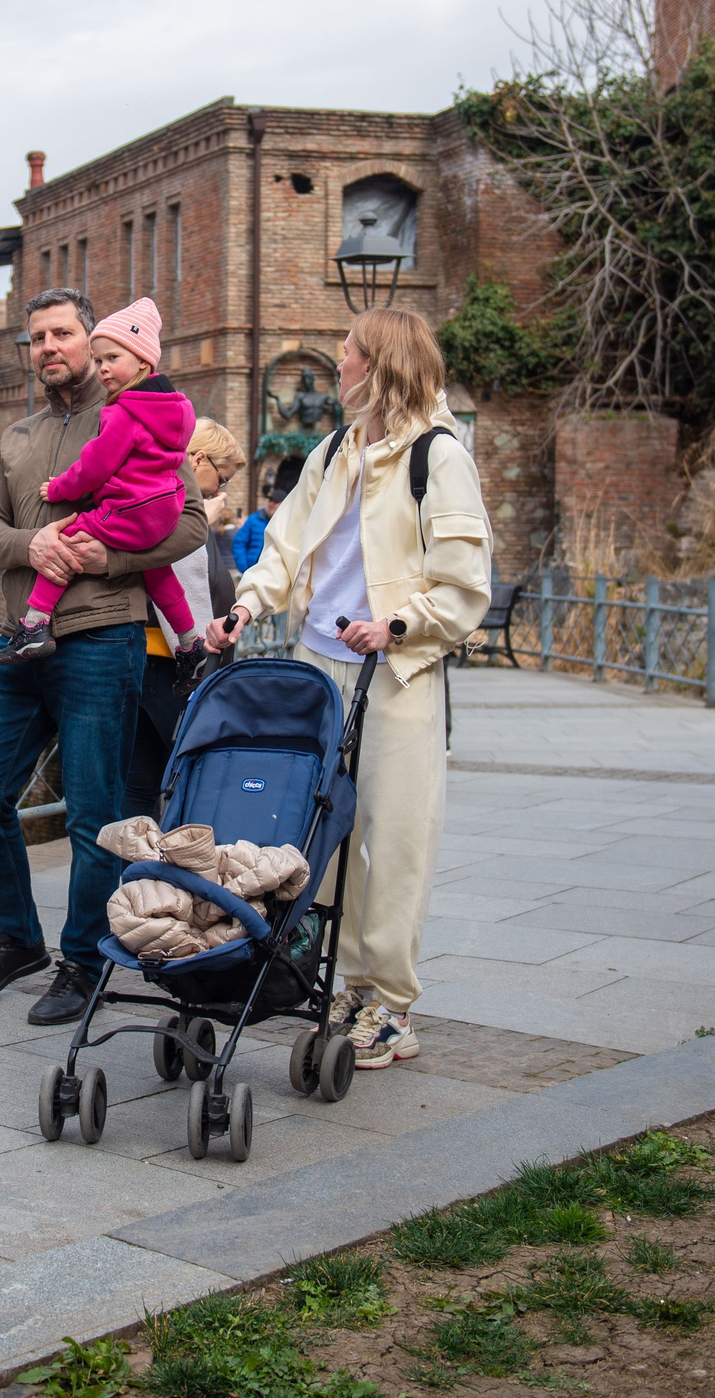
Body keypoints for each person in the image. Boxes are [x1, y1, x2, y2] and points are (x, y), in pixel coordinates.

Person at [203, 308, 493, 1070]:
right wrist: (244, 606)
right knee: (323, 836)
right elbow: (286, 545)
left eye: (350, 354)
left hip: (395, 670)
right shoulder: (334, 450)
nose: (340, 365)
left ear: (383, 364)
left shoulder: (439, 456)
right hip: (318, 668)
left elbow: (466, 585)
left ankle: (390, 1002)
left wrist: (399, 622)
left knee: (394, 837)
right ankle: (339, 978)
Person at [0, 287, 207, 1025]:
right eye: (37, 337)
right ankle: (18, 939)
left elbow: (190, 522)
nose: (49, 348)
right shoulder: (16, 439)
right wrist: (28, 545)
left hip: (102, 635)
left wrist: (114, 561)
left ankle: (85, 960)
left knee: (94, 812)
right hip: (20, 639)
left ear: (92, 339)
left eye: (63, 333)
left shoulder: (136, 411)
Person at [5, 298, 199, 666]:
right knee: (159, 574)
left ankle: (34, 624)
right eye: (100, 360)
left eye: (112, 359)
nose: (104, 369)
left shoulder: (124, 410)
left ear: (143, 360)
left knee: (69, 537)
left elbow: (95, 465)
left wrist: (60, 487)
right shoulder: (176, 409)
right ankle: (189, 643)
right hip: (161, 509)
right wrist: (26, 542)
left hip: (129, 513)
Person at [120, 418, 244, 822]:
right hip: (175, 667)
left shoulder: (152, 489)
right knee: (195, 776)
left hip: (146, 659)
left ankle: (134, 875)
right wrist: (195, 654)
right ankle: (183, 870)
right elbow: (186, 580)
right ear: (198, 459)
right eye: (220, 478)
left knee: (140, 782)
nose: (219, 490)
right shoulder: (180, 503)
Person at [230, 492, 277, 573]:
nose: (271, 504)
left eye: (276, 502)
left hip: (273, 572)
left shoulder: (283, 523)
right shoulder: (253, 519)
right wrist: (244, 568)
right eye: (270, 500)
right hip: (253, 570)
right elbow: (239, 542)